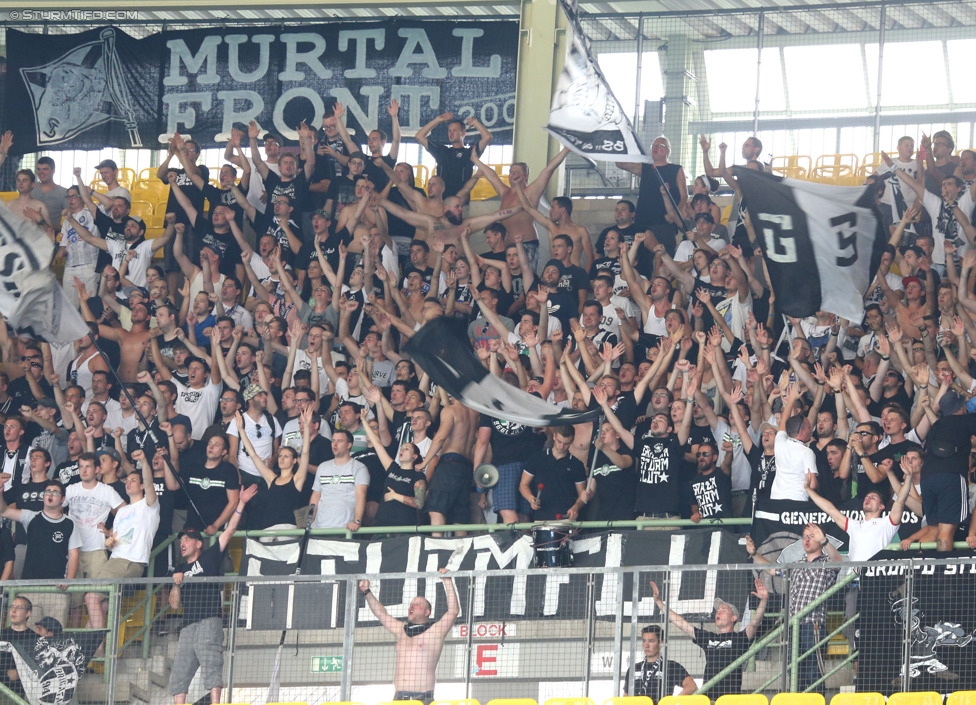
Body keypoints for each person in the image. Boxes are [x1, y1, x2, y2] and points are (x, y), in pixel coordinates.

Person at [167, 484, 257, 705]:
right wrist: (176, 584)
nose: (183, 543)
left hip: (209, 619)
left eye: (187, 540)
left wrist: (242, 503)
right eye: (181, 541)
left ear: (199, 543)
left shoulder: (210, 556)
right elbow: (174, 606)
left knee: (211, 663)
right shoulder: (180, 568)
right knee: (179, 670)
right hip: (188, 624)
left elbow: (229, 531)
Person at [751, 522, 839, 694]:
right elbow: (772, 569)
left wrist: (825, 541)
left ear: (821, 540)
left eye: (812, 537)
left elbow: (838, 562)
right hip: (793, 626)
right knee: (794, 672)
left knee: (814, 672)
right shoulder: (796, 564)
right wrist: (754, 553)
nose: (807, 540)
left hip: (812, 624)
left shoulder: (826, 563)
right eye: (805, 536)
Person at [650, 578, 768, 699]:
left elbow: (754, 624)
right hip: (708, 698)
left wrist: (763, 600)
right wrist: (660, 603)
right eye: (718, 611)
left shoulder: (739, 638)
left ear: (733, 618)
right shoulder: (709, 638)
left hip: (729, 699)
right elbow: (682, 624)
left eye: (724, 610)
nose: (718, 612)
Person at [359, 567, 460, 705]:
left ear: (427, 612)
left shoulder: (435, 631)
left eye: (418, 604)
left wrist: (447, 581)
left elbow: (453, 611)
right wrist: (366, 592)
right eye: (411, 604)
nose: (412, 606)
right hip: (399, 697)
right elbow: (382, 614)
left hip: (423, 697)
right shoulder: (401, 629)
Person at [309, 429, 369, 531]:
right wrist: (309, 522)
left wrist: (357, 521)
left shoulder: (359, 467)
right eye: (333, 441)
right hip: (318, 528)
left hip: (343, 529)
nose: (335, 444)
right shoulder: (323, 467)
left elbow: (361, 495)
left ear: (349, 445)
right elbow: (315, 496)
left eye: (340, 441)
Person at [622, 624, 696, 699]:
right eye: (644, 641)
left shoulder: (671, 666)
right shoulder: (634, 668)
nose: (646, 645)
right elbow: (626, 695)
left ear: (661, 643)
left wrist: (672, 702)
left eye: (651, 641)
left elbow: (691, 686)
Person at [0, 596, 38, 696]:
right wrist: (5, 675)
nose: (13, 610)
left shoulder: (35, 638)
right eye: (12, 607)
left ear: (28, 613)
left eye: (19, 608)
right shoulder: (1, 634)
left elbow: (40, 668)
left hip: (23, 692)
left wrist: (20, 673)